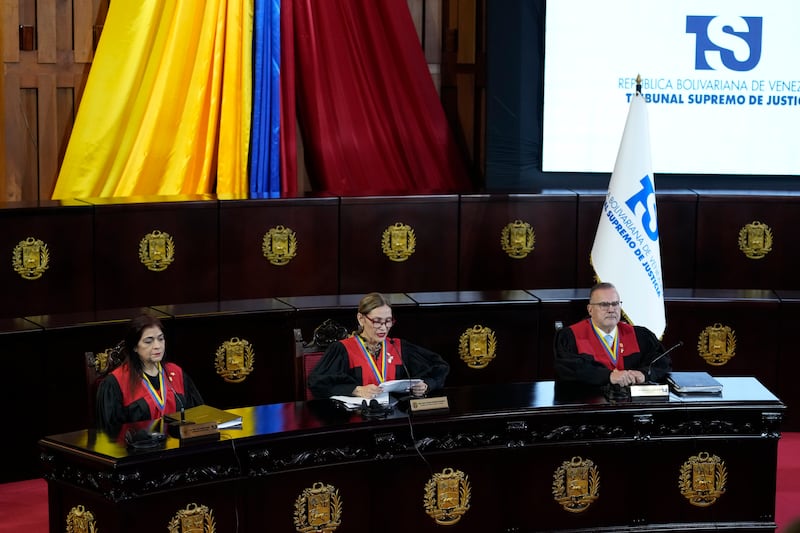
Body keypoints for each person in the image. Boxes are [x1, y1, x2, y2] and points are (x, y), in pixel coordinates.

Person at [307, 292, 450, 400]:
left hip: (396, 417)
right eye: (377, 321)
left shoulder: (398, 347)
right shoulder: (343, 349)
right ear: (361, 319)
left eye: (388, 321)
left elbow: (439, 366)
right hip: (356, 419)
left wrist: (426, 385)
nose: (383, 328)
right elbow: (317, 383)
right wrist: (355, 390)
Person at [96, 314, 203, 432]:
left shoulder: (176, 373)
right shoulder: (115, 383)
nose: (158, 346)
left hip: (178, 446)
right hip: (138, 449)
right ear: (135, 347)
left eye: (161, 339)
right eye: (148, 341)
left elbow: (199, 417)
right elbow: (109, 434)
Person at [554, 282, 671, 387]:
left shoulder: (639, 335)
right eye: (604, 305)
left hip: (632, 405)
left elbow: (662, 360)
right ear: (590, 310)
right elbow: (567, 369)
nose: (611, 309)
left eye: (615, 304)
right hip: (587, 403)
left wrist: (645, 374)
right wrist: (608, 376)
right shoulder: (571, 336)